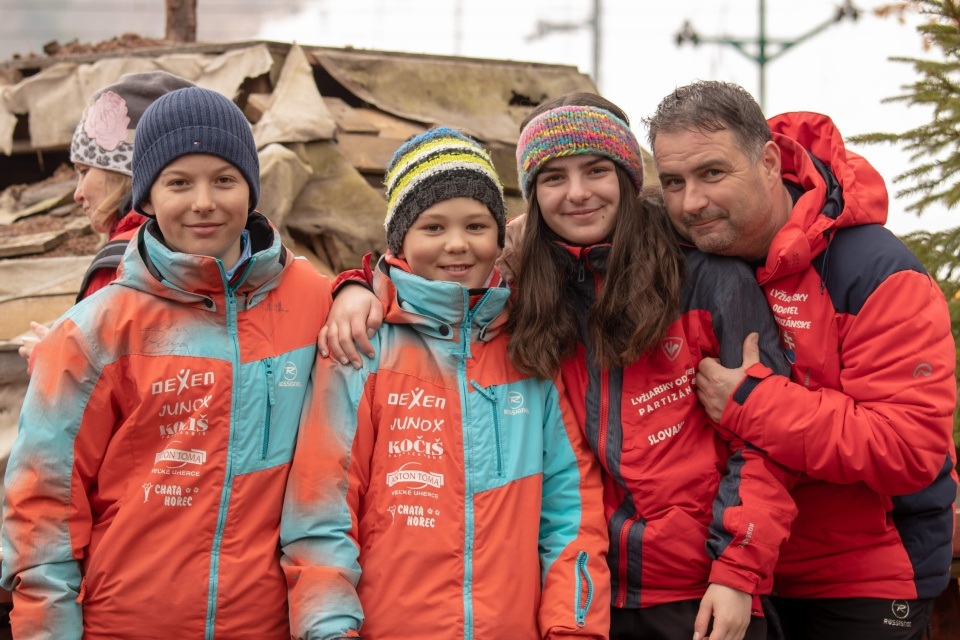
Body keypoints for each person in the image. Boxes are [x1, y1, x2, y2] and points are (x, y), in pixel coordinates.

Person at [319, 95, 798, 640]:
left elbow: (766, 442)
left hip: (702, 592)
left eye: (596, 170)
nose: (577, 193)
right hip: (592, 596)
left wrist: (737, 572)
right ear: (533, 195)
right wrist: (356, 286)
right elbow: (432, 272)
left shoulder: (707, 280)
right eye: (553, 177)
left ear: (628, 177)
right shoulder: (529, 288)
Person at [1, 86, 333, 639]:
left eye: (224, 180)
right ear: (147, 197)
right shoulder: (94, 332)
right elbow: (43, 502)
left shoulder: (314, 302)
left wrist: (358, 287)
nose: (203, 202)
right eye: (179, 182)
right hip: (126, 622)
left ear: (251, 191)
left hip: (264, 624)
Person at [645, 80, 957, 640]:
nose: (691, 202)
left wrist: (752, 402)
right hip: (735, 571)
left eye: (712, 173)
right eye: (674, 182)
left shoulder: (877, 274)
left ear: (768, 162)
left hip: (865, 574)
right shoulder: (689, 255)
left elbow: (908, 449)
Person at [279, 127, 611, 639]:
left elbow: (571, 514)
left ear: (499, 237)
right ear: (400, 240)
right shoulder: (361, 348)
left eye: (477, 225)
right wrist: (329, 630)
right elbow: (321, 514)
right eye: (433, 227)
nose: (458, 244)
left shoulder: (531, 350)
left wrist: (574, 629)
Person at [18, 70, 195, 361]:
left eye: (84, 171)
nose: (78, 194)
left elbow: (99, 376)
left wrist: (51, 358)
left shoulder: (123, 263)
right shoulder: (237, 243)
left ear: (123, 172)